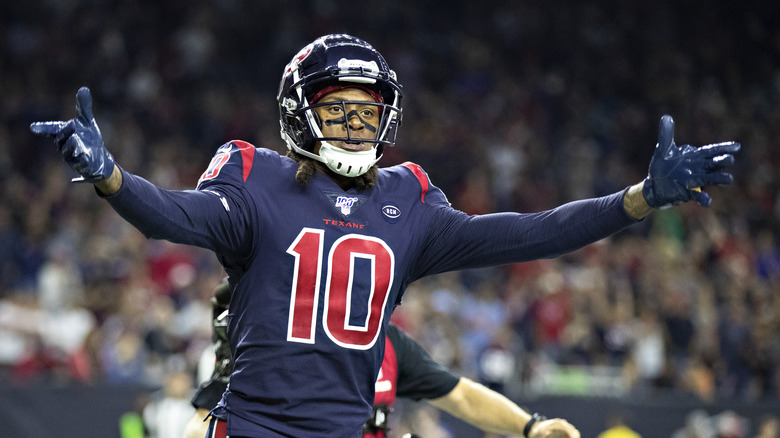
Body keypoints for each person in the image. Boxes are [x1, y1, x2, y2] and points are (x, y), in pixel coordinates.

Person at [30, 33, 739, 437]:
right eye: (335, 109)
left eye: (366, 113)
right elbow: (174, 216)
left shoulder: (410, 201)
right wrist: (111, 177)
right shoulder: (253, 176)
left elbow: (529, 233)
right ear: (298, 113)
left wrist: (639, 200)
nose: (353, 125)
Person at [183, 281, 580, 438]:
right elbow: (201, 424)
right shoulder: (278, 341)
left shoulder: (389, 343)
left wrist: (530, 427)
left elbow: (460, 396)